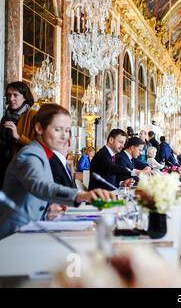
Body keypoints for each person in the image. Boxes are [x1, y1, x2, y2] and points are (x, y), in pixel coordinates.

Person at [0, 104, 114, 239]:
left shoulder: (43, 153)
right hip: (13, 236)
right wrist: (81, 195)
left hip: (29, 231)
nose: (64, 136)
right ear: (39, 128)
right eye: (58, 129)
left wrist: (49, 208)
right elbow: (40, 186)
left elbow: (32, 198)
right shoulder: (30, 155)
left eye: (67, 130)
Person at [0, 82, 38, 188]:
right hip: (5, 169)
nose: (11, 98)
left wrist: (18, 137)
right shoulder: (5, 117)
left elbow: (39, 149)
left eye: (15, 95)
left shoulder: (33, 116)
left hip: (23, 172)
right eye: (8, 95)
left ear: (25, 97)